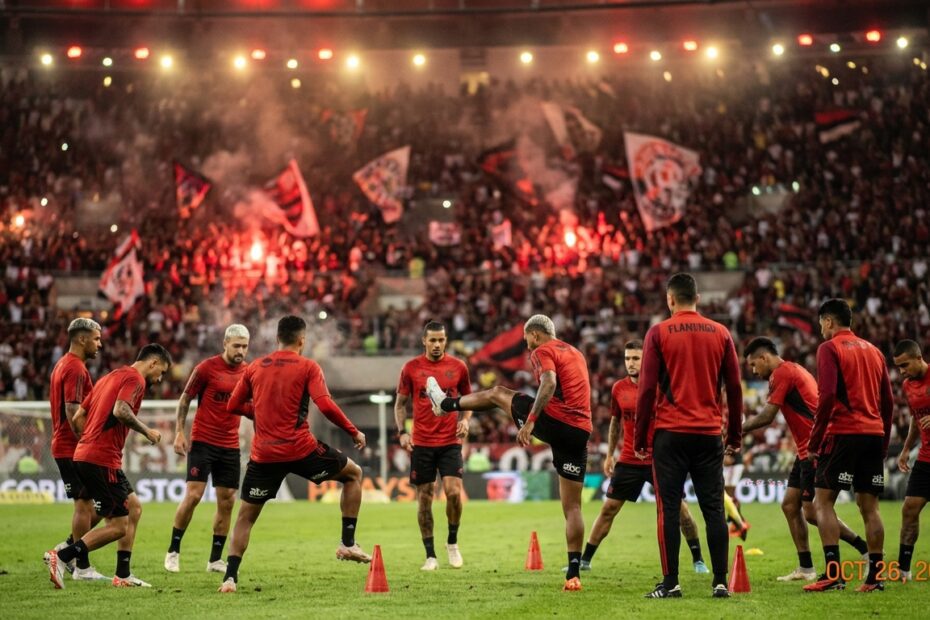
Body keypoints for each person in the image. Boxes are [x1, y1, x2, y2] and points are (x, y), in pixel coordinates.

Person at [428, 314, 591, 591]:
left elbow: (549, 382)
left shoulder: (543, 350)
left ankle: (446, 404)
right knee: (573, 506)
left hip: (557, 421)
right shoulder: (574, 352)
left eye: (527, 340)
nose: (527, 347)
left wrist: (530, 422)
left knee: (497, 393)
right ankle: (573, 573)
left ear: (536, 335)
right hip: (580, 431)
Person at [218, 315, 369, 594]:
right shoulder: (309, 366)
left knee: (245, 517)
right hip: (301, 450)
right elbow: (324, 404)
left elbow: (232, 405)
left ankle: (229, 578)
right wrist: (353, 431)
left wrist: (261, 414)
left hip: (264, 455)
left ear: (277, 339)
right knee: (354, 474)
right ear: (302, 340)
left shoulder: (254, 368)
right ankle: (347, 543)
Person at [634, 273, 742, 599]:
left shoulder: (659, 333)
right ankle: (721, 582)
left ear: (670, 299)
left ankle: (671, 583)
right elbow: (735, 388)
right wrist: (734, 433)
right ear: (698, 298)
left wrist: (640, 438)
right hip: (709, 434)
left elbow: (647, 390)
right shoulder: (721, 333)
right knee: (713, 510)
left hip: (670, 433)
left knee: (668, 509)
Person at [576, 339, 709, 574]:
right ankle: (585, 560)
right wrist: (609, 455)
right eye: (627, 358)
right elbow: (616, 422)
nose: (630, 363)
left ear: (645, 359)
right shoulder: (619, 388)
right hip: (628, 458)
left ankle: (698, 558)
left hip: (661, 459)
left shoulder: (662, 386)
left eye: (635, 358)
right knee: (609, 508)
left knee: (680, 510)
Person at [44, 344, 171, 589]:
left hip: (87, 454)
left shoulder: (109, 377)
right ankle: (61, 556)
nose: (160, 378)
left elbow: (80, 415)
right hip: (101, 458)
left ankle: (122, 575)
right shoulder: (136, 380)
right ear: (153, 363)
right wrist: (147, 432)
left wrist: (88, 442)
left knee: (133, 508)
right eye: (162, 371)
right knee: (118, 526)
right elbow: (120, 410)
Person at [743, 337, 870, 581]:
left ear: (764, 358)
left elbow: (768, 417)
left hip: (815, 450)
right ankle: (806, 568)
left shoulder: (782, 373)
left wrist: (735, 431)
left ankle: (862, 550)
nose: (753, 371)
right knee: (790, 505)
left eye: (753, 365)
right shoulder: (793, 369)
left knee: (813, 512)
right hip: (804, 451)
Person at [805, 299, 893, 593]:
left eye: (820, 323)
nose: (820, 329)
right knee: (870, 507)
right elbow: (888, 403)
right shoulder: (875, 351)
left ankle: (833, 575)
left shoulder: (829, 349)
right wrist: (883, 442)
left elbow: (827, 396)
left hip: (843, 433)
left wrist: (815, 441)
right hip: (873, 434)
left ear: (829, 321)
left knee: (823, 502)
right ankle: (875, 578)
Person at [165, 324, 251, 574]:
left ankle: (214, 560)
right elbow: (185, 398)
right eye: (236, 345)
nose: (241, 351)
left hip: (230, 445)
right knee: (193, 496)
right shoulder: (206, 368)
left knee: (227, 501)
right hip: (203, 442)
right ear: (225, 344)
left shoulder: (249, 372)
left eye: (245, 346)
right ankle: (173, 550)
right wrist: (180, 432)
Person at [395, 321, 472, 571]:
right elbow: (399, 405)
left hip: (450, 442)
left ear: (446, 341)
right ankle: (430, 555)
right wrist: (402, 433)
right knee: (425, 499)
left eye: (441, 340)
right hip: (422, 444)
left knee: (452, 492)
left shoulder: (458, 367)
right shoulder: (411, 368)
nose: (437, 344)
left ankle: (452, 543)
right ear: (424, 341)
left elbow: (468, 400)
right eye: (432, 340)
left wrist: (466, 420)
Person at [48, 318, 108, 581]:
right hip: (72, 447)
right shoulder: (74, 368)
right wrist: (88, 444)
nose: (100, 344)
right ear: (82, 339)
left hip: (68, 446)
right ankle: (81, 566)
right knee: (85, 505)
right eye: (96, 338)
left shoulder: (65, 364)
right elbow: (73, 411)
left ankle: (67, 550)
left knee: (101, 504)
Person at [892, 339, 930, 582]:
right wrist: (906, 449)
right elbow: (917, 420)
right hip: (926, 458)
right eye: (898, 367)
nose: (902, 371)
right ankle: (903, 570)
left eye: (905, 365)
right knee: (909, 509)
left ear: (919, 358)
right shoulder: (908, 386)